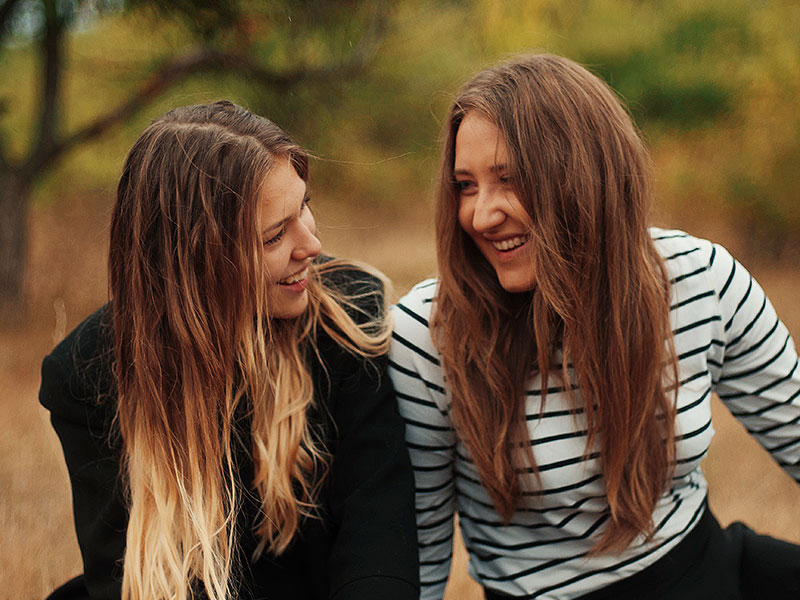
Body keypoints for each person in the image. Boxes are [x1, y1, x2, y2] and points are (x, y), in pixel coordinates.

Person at [389, 53, 800, 600]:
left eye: (509, 179)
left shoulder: (699, 278)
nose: (482, 215)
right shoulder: (426, 334)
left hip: (701, 576)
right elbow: (420, 551)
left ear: (584, 175)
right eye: (466, 185)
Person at [39, 101, 419, 600]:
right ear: (198, 262)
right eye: (274, 235)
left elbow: (377, 534)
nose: (312, 243)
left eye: (303, 206)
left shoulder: (344, 318)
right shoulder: (89, 374)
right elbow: (123, 574)